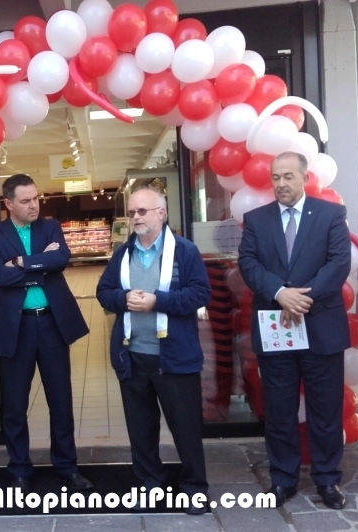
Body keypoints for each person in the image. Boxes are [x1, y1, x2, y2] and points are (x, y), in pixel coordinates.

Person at [238, 151, 351, 509]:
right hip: (276, 327)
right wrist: (279, 293)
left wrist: (302, 299)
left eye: (288, 176)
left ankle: (327, 479)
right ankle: (283, 479)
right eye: (276, 177)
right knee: (280, 409)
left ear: (305, 178)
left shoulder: (331, 214)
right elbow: (248, 263)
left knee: (325, 409)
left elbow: (339, 263)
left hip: (320, 326)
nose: (281, 183)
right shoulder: (257, 219)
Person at [96, 187, 211, 515]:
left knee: (186, 429)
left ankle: (194, 489)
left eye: (142, 211)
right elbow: (104, 292)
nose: (136, 217)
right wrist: (123, 298)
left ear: (162, 213)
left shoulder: (185, 251)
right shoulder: (123, 253)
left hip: (174, 358)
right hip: (132, 356)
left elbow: (200, 294)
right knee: (141, 429)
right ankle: (150, 484)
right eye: (132, 212)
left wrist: (157, 301)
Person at [0, 174, 92, 493]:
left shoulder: (50, 227)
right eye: (25, 201)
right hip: (15, 327)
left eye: (36, 198)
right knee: (14, 404)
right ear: (8, 203)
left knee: (61, 399)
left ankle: (67, 467)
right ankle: (19, 469)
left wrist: (20, 262)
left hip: (52, 324)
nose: (34, 205)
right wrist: (40, 267)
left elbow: (61, 258)